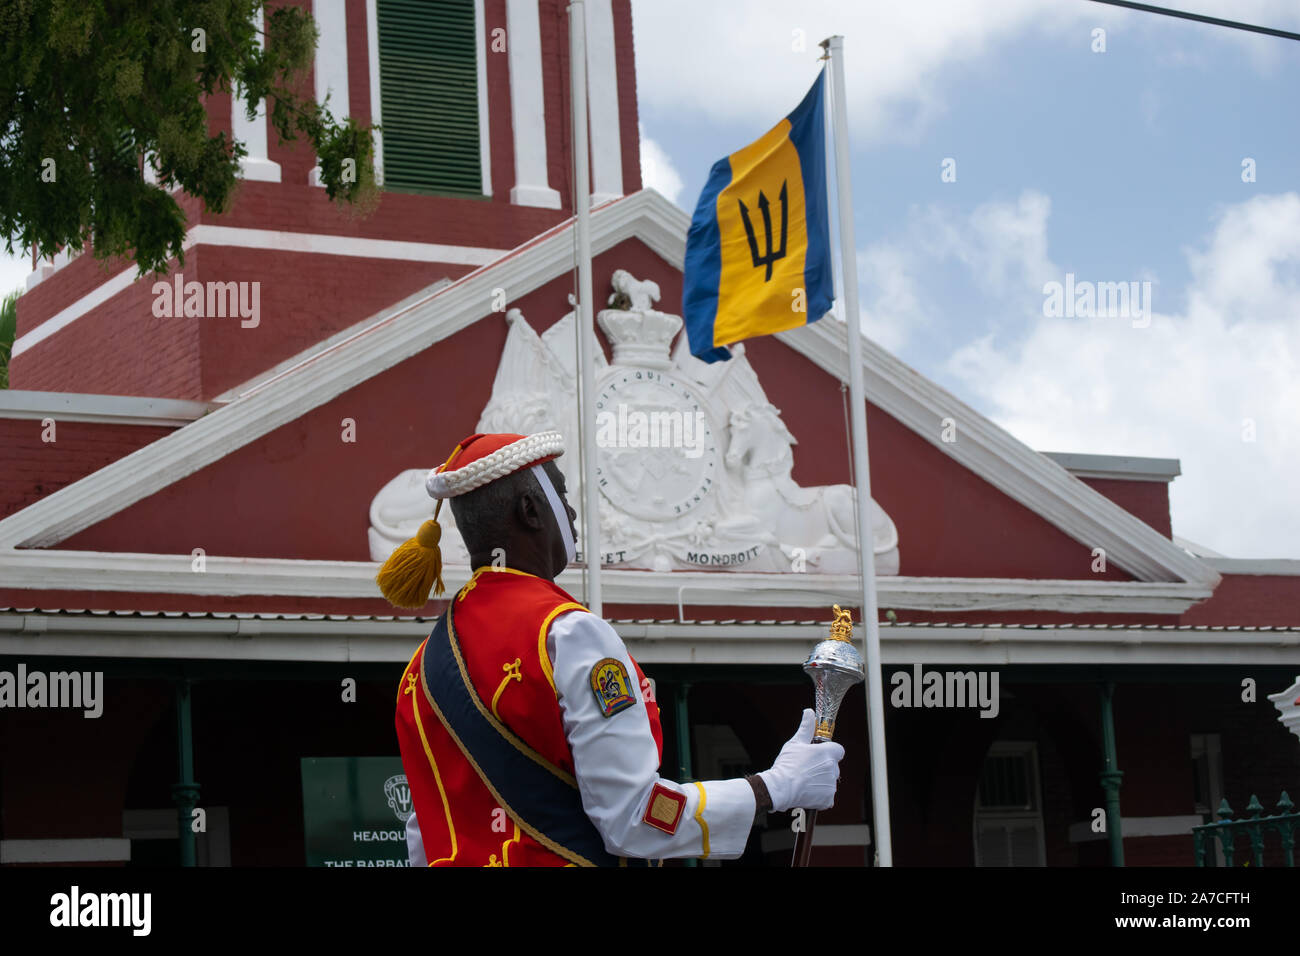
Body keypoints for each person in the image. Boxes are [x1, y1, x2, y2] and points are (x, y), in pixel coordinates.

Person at [379, 430, 844, 866]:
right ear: (530, 511)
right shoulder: (568, 635)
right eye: (560, 494)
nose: (573, 511)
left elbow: (423, 835)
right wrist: (774, 786)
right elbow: (637, 816)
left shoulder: (421, 668)